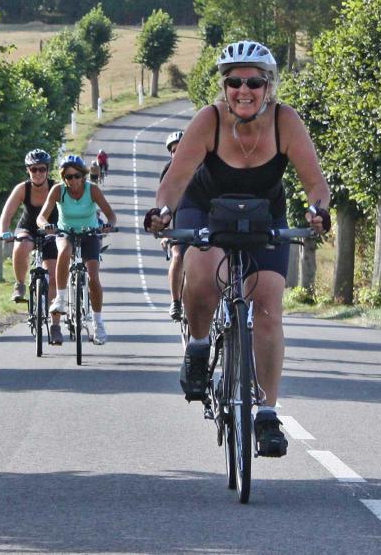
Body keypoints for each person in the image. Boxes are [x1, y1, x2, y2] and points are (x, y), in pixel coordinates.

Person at [143, 41, 331, 459]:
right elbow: (175, 181)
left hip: (265, 214)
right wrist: (162, 211)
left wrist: (318, 211)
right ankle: (196, 346)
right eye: (234, 82)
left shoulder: (286, 122)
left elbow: (316, 183)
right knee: (205, 273)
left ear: (269, 86)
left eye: (254, 82)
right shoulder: (208, 121)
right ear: (223, 86)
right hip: (205, 207)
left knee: (267, 304)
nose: (243, 91)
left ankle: (266, 414)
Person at [39, 154, 117, 344]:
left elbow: (111, 216)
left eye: (76, 176)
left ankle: (98, 324)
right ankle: (61, 299)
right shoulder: (58, 191)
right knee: (64, 251)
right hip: (66, 232)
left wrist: (108, 225)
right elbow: (41, 217)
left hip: (90, 233)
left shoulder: (93, 190)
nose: (72, 180)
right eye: (68, 177)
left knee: (93, 278)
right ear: (63, 178)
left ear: (83, 175)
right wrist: (46, 226)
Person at [0, 148, 68, 344]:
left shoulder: (57, 188)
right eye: (33, 169)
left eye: (42, 169)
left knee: (53, 278)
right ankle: (19, 284)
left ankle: (55, 326)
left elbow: (69, 209)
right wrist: (4, 232)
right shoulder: (23, 189)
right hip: (28, 227)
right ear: (28, 170)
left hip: (51, 231)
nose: (38, 173)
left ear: (48, 170)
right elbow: (7, 213)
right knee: (20, 246)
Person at [159, 130, 186, 322]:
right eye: (173, 150)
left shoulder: (205, 168)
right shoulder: (168, 172)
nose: (177, 153)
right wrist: (165, 232)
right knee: (177, 255)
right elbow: (164, 205)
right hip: (179, 221)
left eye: (181, 148)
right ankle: (176, 301)